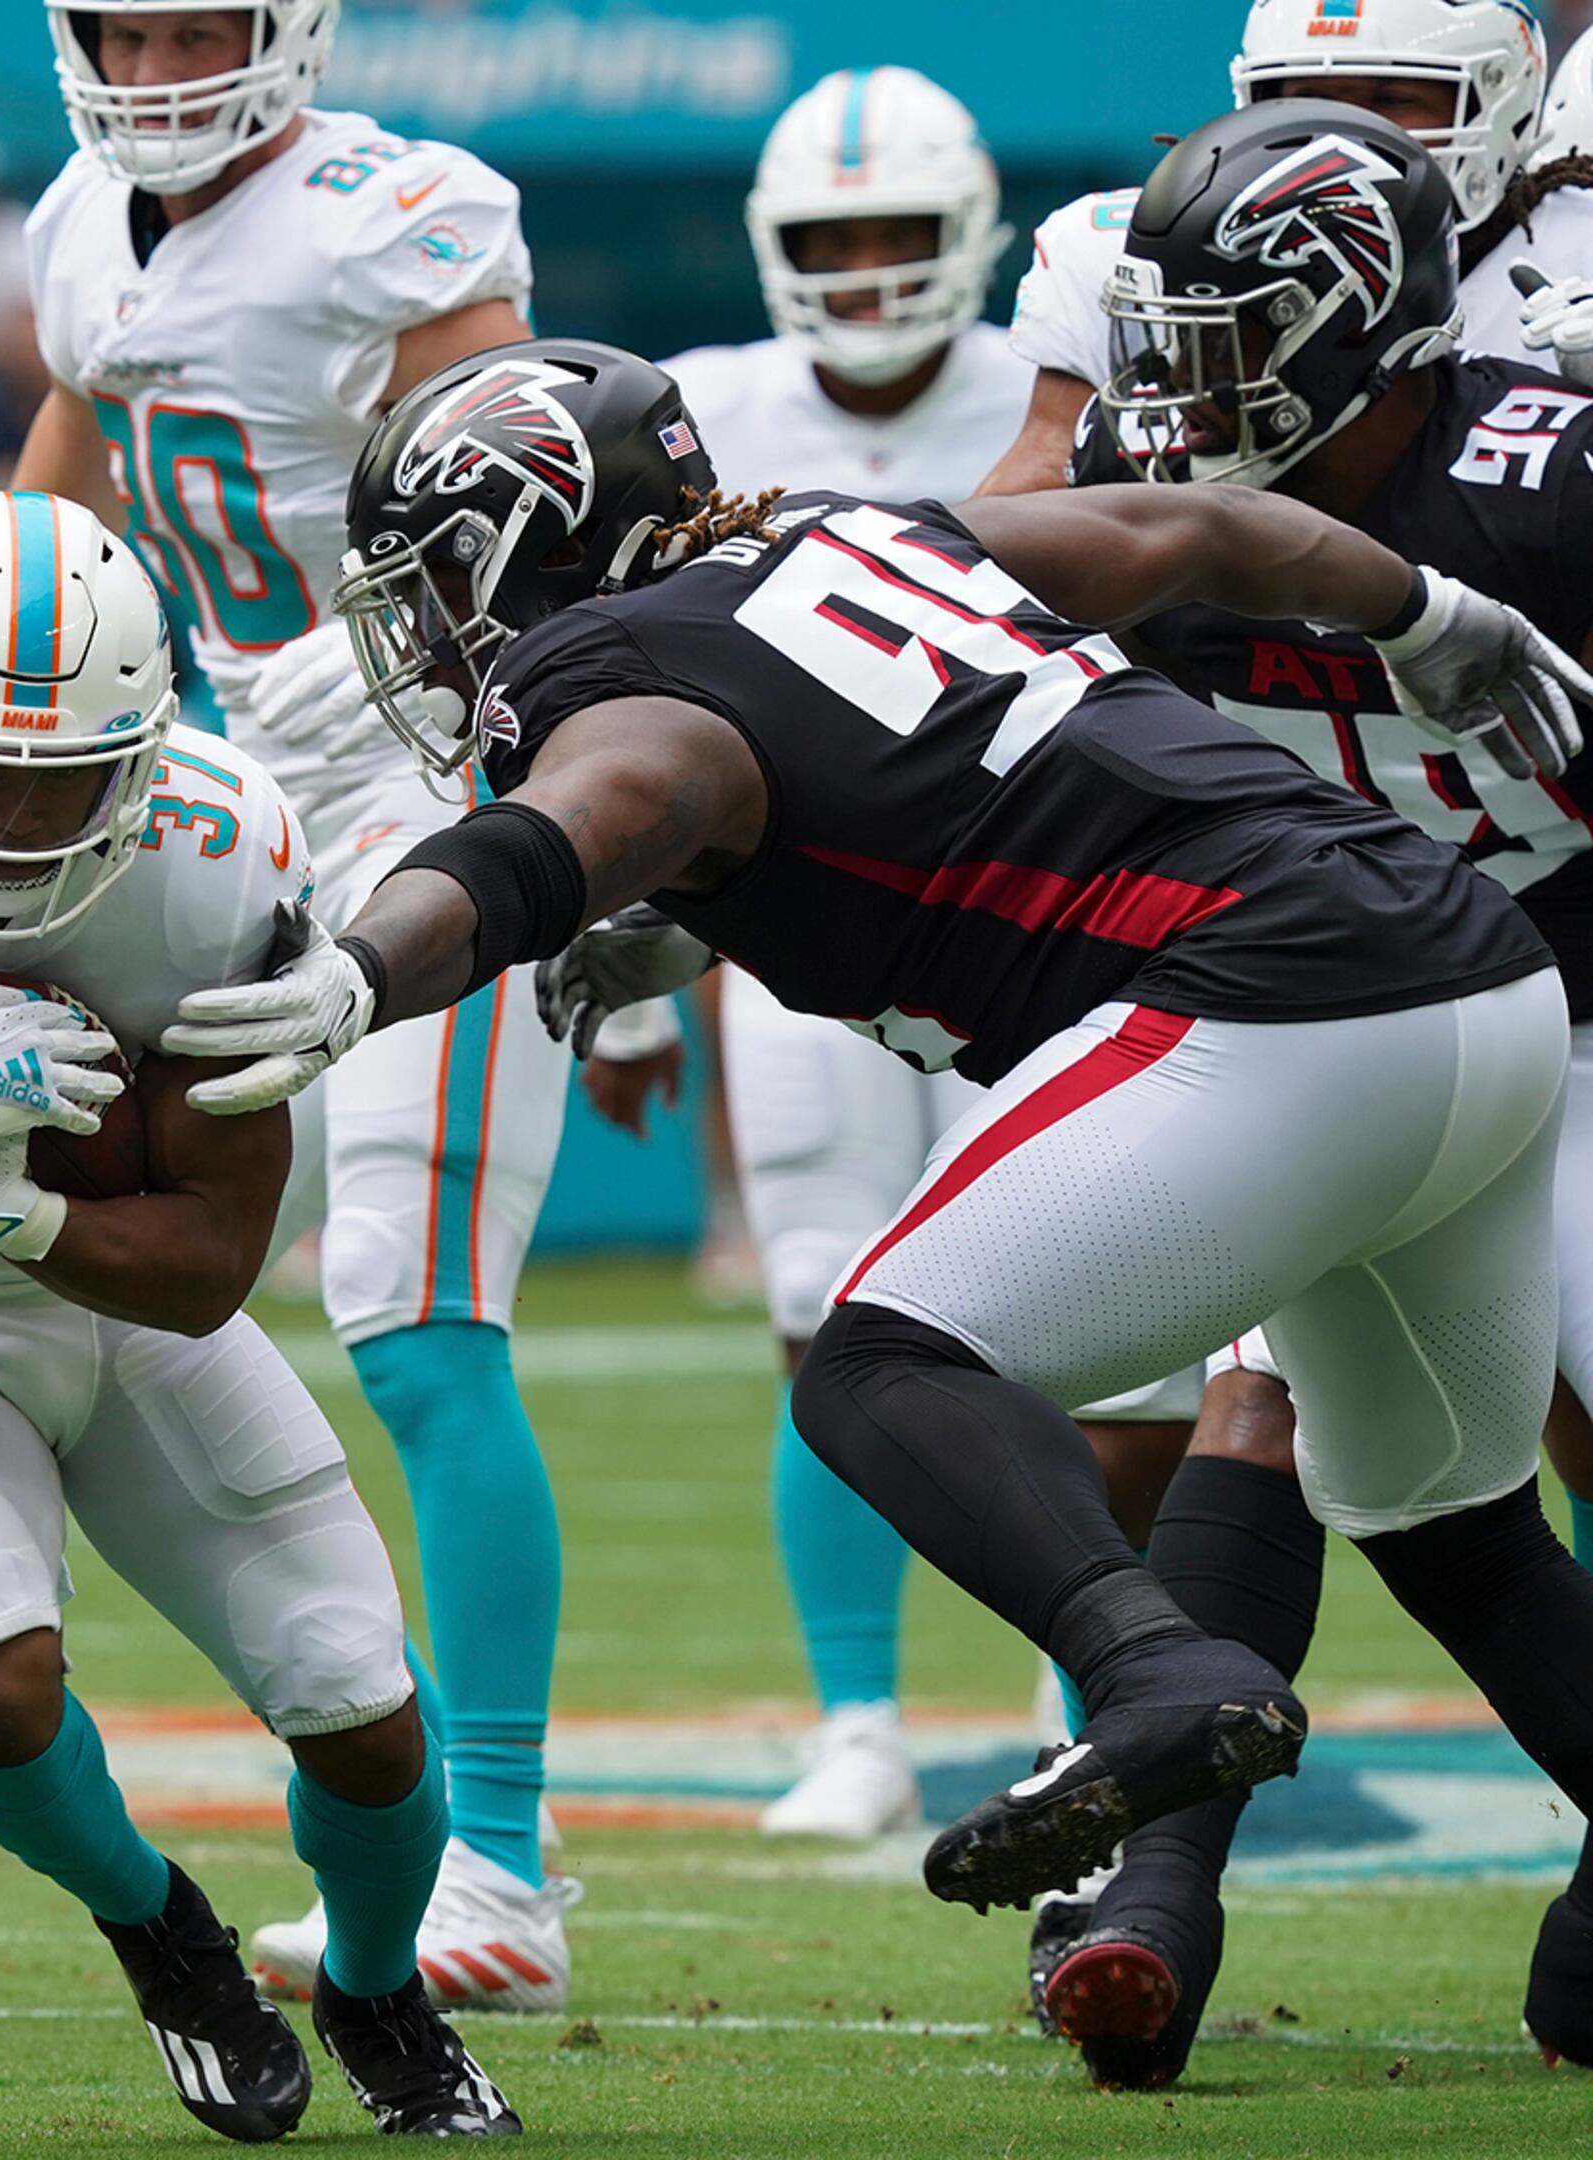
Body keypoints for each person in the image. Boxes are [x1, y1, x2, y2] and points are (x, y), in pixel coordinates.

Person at [189, 333, 1593, 2057]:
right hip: (1483, 984)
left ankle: (1145, 1663)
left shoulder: (611, 678)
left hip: (1279, 1006)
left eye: (426, 590)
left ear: (518, 543)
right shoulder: (868, 531)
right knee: (1450, 1524)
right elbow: (1200, 533)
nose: (417, 639)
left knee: (876, 1365)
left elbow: (568, 824)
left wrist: (363, 969)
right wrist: (1437, 620)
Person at [0, 486, 519, 2139]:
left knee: (359, 1694)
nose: (11, 818)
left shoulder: (214, 861)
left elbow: (208, 1257)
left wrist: (9, 1200)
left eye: (62, 781)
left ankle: (377, 1982)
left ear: (144, 755)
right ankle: (163, 1933)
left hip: (117, 1294)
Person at [13, 0, 578, 2014]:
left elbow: (540, 511)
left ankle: (496, 1860)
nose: (160, 64)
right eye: (125, 25)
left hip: (442, 802)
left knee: (420, 1322)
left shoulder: (394, 214)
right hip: (225, 811)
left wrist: (580, 847)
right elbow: (55, 514)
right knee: (85, 1235)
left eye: (198, 23)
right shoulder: (83, 218)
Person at [1021, 102, 1593, 2087]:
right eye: (1160, 339)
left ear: (1364, 322)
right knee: (1270, 1402)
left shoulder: (1545, 481)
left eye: (1222, 336)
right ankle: (1153, 1908)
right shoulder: (1152, 500)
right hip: (1347, 1010)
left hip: (1580, 1007)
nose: (1172, 390)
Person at [632, 66, 1201, 1845]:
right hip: (803, 922)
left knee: (1109, 1323)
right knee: (822, 1298)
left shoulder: (1047, 382)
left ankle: (1070, 1694)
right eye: (831, 240)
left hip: (1041, 922)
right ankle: (857, 1718)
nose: (868, 271)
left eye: (897, 234)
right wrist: (634, 930)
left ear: (971, 237)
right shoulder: (697, 410)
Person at [980, 0, 1584, 495]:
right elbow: (1040, 487)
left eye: (1394, 100)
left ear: (1503, 106)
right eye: (1309, 98)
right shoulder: (1128, 242)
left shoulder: (1576, 238)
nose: (1345, 134)